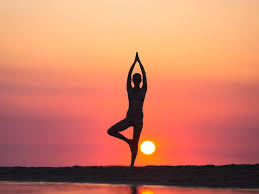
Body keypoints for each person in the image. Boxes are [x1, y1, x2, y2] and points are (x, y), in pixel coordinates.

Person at [107, 52, 147, 167]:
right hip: (129, 118)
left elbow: (145, 77)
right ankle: (128, 141)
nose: (137, 80)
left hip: (139, 119)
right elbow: (128, 77)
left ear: (140, 81)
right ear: (134, 80)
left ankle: (132, 164)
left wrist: (140, 63)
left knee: (136, 142)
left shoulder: (143, 90)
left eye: (138, 78)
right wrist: (134, 63)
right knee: (111, 131)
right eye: (135, 78)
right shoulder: (129, 90)